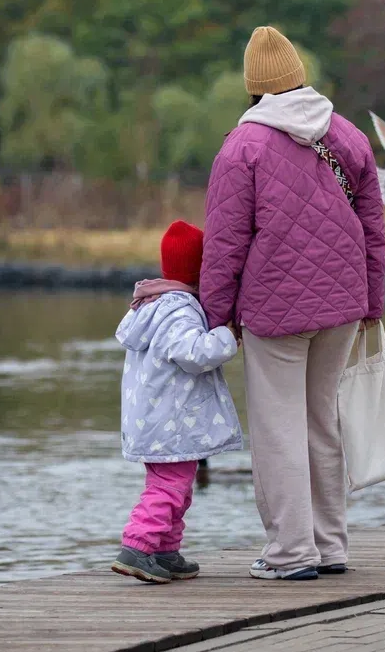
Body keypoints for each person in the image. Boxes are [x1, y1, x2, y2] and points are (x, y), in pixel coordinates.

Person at [201, 25, 385, 581]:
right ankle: (330, 548)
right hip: (344, 304)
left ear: (254, 88)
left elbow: (224, 244)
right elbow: (373, 227)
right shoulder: (347, 135)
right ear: (299, 77)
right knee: (321, 423)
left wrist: (215, 319)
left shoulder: (243, 147)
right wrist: (371, 303)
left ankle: (289, 553)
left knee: (278, 428)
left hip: (275, 311)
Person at [111, 220, 243, 584]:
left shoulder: (151, 306)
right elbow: (193, 353)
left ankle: (166, 551)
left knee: (176, 486)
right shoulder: (179, 310)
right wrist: (226, 337)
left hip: (154, 422)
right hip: (172, 422)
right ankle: (137, 547)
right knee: (169, 487)